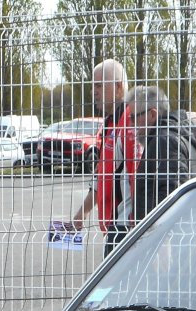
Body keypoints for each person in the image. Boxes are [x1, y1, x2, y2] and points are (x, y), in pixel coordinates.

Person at [69, 59, 137, 253]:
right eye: (93, 86)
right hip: (115, 227)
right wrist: (81, 215)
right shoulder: (108, 125)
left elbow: (140, 180)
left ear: (118, 87)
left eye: (99, 86)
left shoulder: (131, 125)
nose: (94, 92)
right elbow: (101, 178)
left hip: (129, 228)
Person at [125, 85, 196, 224]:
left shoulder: (164, 141)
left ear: (152, 114)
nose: (130, 123)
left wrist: (153, 234)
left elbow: (170, 198)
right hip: (185, 234)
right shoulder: (175, 136)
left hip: (173, 238)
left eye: (134, 117)